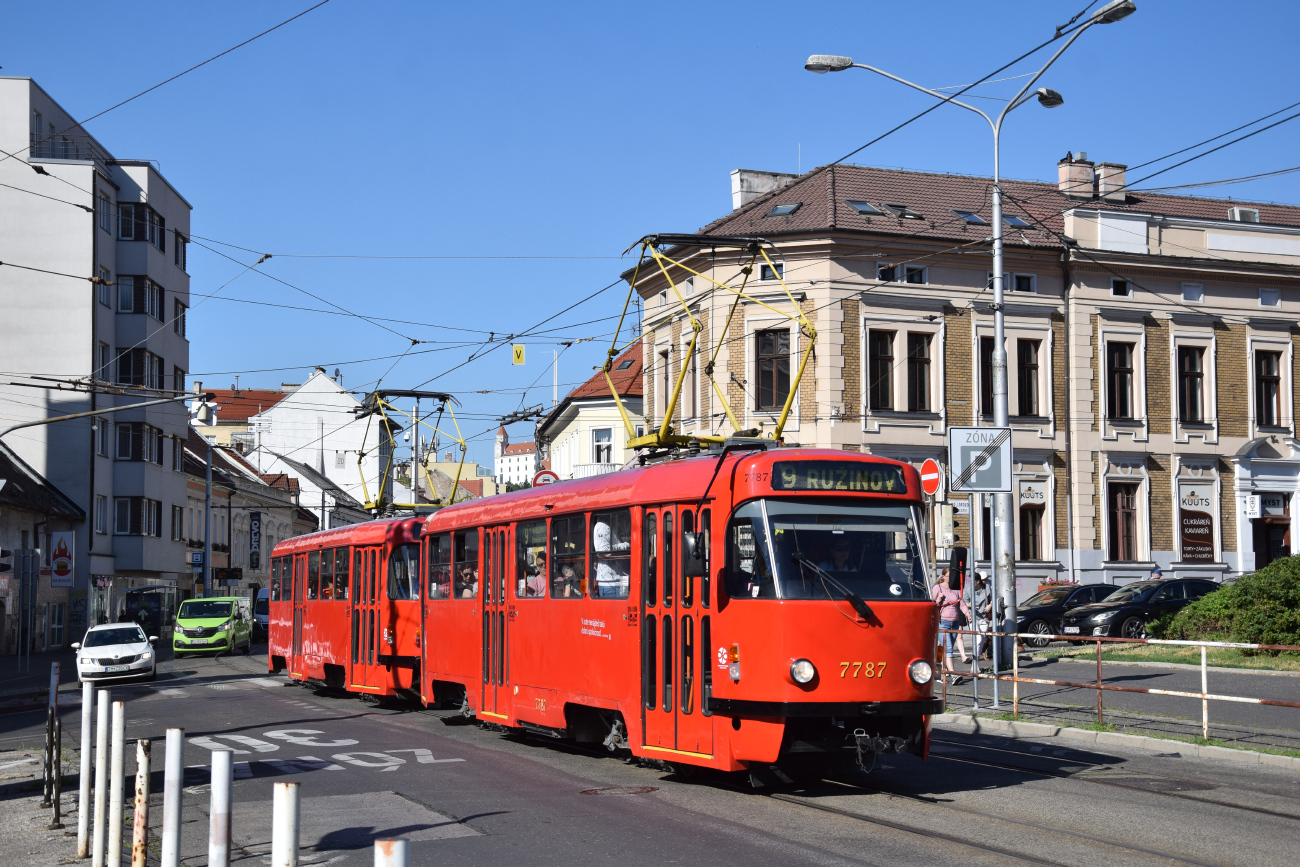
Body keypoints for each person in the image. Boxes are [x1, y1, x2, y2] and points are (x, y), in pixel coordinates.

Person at [932, 569, 971, 681]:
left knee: (943, 648)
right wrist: (938, 600)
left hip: (954, 622)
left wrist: (967, 614)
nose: (951, 578)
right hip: (942, 622)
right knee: (947, 648)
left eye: (952, 576)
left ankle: (939, 673)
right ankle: (953, 674)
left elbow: (962, 604)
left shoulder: (956, 588)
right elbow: (932, 604)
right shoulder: (938, 588)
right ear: (943, 576)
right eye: (949, 576)